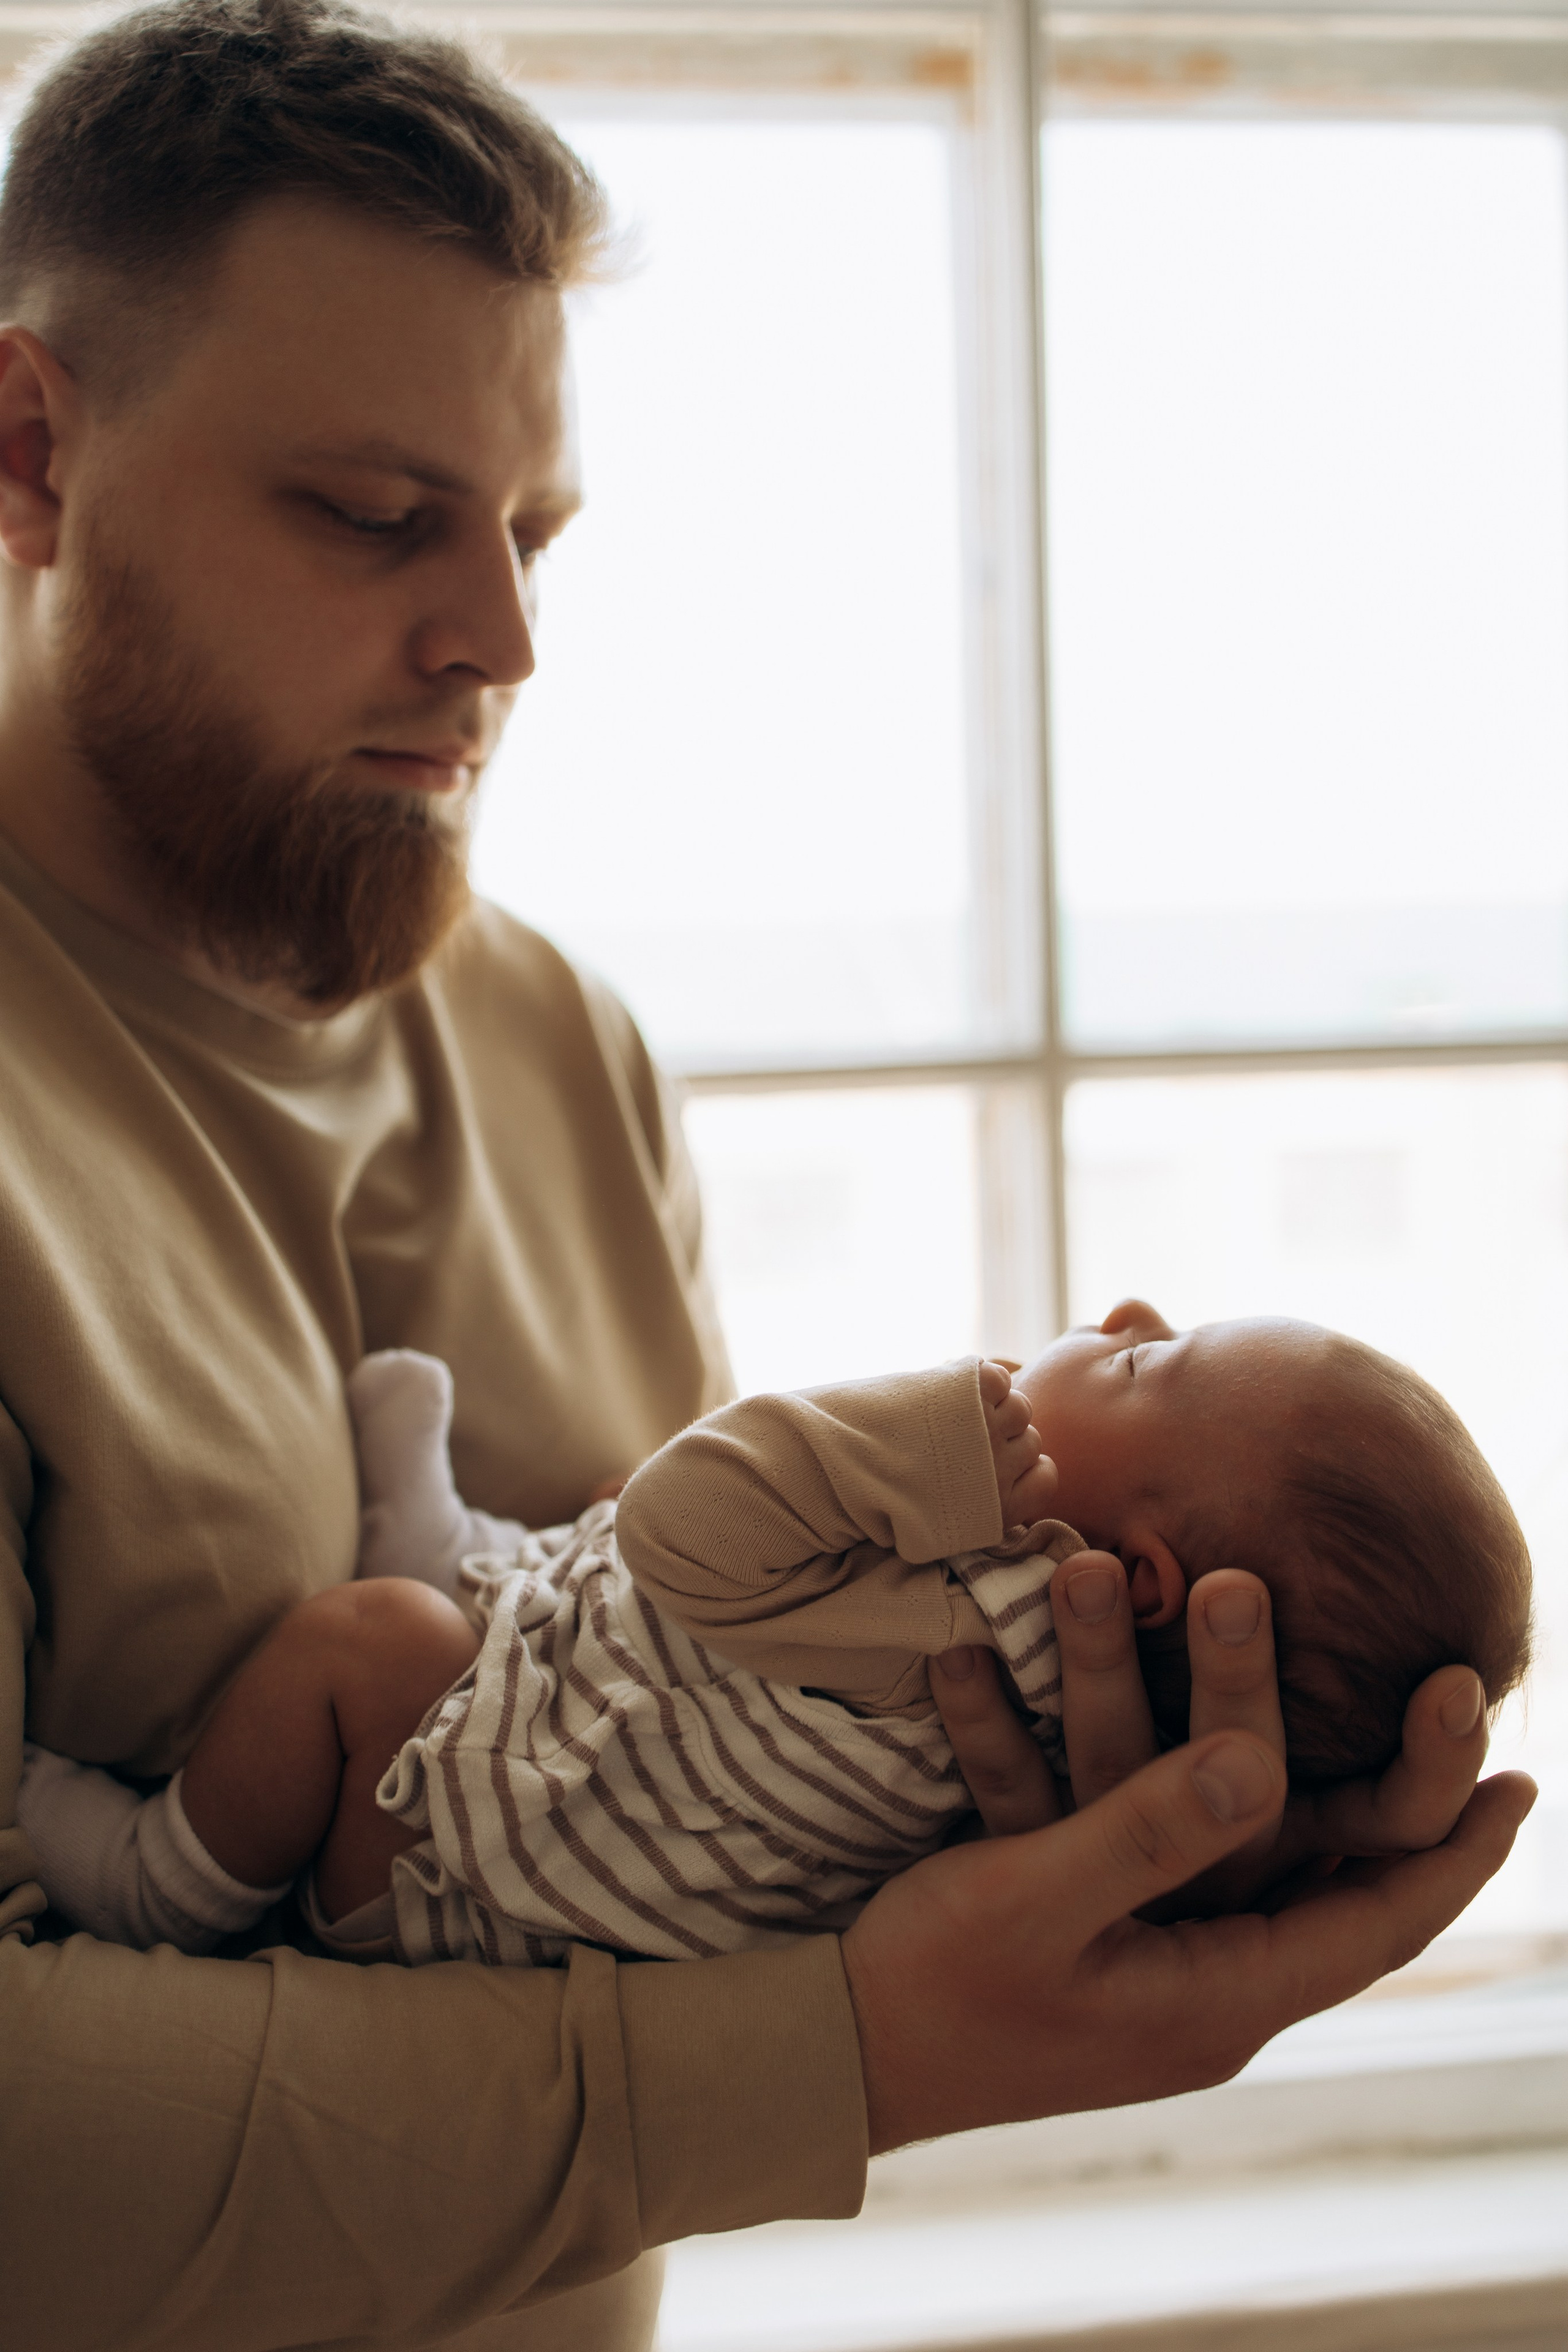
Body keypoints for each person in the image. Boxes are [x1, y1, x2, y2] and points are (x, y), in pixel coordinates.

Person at [0, 0, 1532, 2346]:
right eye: (376, 518)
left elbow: (646, 1814)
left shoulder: (555, 1042)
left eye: (531, 533)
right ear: (30, 454)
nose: (500, 640)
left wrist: (1110, 1857)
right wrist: (860, 2053)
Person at [17, 1306, 1531, 1968]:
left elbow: (686, 1524)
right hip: (579, 1836)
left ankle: (154, 1882)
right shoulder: (1037, 1701)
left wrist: (919, 1433)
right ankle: (462, 1552)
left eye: (1139, 1359)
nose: (1108, 1318)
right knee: (605, 1565)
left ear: (1136, 1584)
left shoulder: (969, 1625)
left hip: (448, 1882)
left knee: (372, 1643)